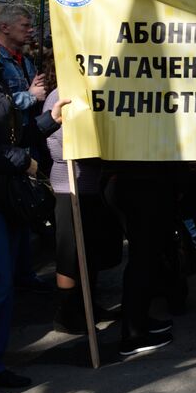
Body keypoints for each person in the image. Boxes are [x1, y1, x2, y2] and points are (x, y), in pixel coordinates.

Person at [0, 14, 66, 393]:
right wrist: (16, 159)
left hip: (5, 199)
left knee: (3, 286)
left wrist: (48, 120)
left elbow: (15, 132)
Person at [44, 84, 119, 335]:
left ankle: (87, 306)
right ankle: (67, 313)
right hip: (69, 186)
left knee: (89, 251)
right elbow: (55, 145)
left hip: (91, 186)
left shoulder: (89, 91)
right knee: (70, 254)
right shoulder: (59, 95)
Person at [0, 3, 45, 123]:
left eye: (31, 26)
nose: (31, 30)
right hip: (6, 135)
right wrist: (31, 96)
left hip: (29, 132)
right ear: (5, 28)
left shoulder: (26, 61)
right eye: (25, 25)